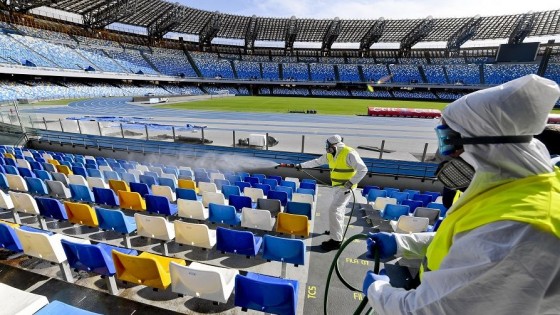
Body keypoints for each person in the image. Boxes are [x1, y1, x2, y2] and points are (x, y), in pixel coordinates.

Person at [362, 74, 560, 314]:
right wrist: (402, 243)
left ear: (484, 144)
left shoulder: (518, 229)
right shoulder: (513, 192)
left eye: (447, 141)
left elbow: (426, 311)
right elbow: (468, 243)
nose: (443, 155)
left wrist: (378, 290)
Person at [296, 134, 367, 251]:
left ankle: (336, 241)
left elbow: (363, 169)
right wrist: (301, 165)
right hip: (336, 187)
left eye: (328, 146)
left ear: (335, 145)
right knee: (339, 210)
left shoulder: (349, 153)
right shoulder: (330, 155)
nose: (326, 148)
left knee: (334, 210)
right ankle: (336, 231)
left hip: (346, 188)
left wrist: (351, 182)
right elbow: (317, 161)